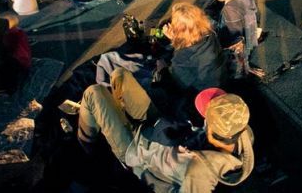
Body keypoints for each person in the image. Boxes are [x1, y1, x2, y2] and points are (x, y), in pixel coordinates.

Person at [77, 73, 254, 192]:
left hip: (137, 150)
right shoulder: (240, 131)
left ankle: (87, 146)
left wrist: (138, 172)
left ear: (211, 130)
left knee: (94, 93)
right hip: (160, 127)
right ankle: (113, 119)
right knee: (120, 75)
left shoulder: (198, 172)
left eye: (206, 117)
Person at [157, 3, 226, 95]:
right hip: (219, 82)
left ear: (179, 29)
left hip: (199, 95)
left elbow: (178, 86)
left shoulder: (181, 60)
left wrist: (162, 70)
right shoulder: (210, 34)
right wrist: (176, 39)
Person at [208, 0, 261, 78]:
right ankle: (245, 68)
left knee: (236, 72)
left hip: (236, 47)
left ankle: (241, 76)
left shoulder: (229, 9)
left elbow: (233, 35)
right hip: (249, 35)